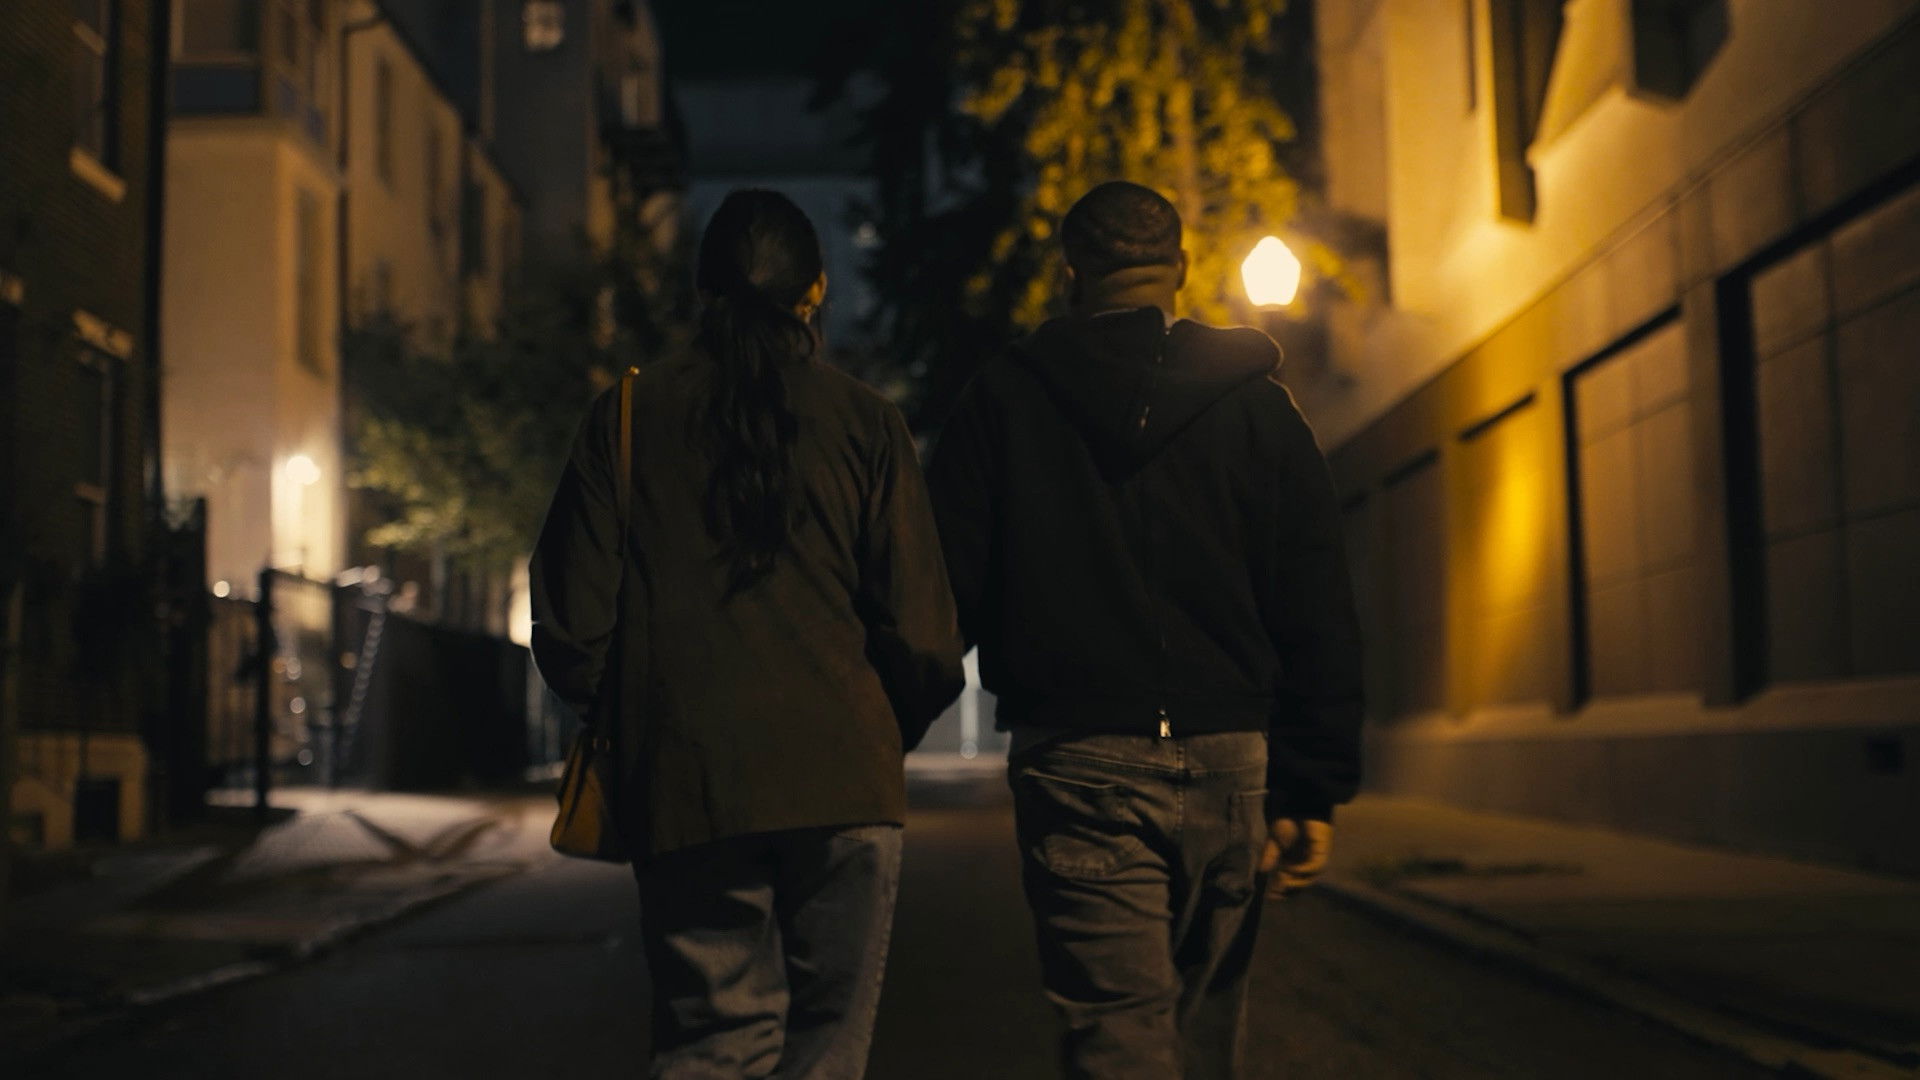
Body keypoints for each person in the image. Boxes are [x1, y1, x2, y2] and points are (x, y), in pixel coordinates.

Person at [926, 181, 1364, 1079]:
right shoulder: (1259, 409)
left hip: (1078, 757)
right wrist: (1312, 783)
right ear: (1182, 267)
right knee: (1205, 1038)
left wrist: (878, 719)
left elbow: (944, 594)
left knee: (1117, 1036)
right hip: (1231, 757)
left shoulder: (1003, 401)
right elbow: (1315, 599)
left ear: (1071, 274)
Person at [530, 189, 965, 1079]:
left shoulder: (627, 416)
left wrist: (644, 720)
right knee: (829, 1047)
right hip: (845, 775)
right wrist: (878, 730)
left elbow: (572, 624)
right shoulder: (868, 423)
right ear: (815, 295)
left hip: (692, 780)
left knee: (713, 1044)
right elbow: (924, 633)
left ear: (703, 293)